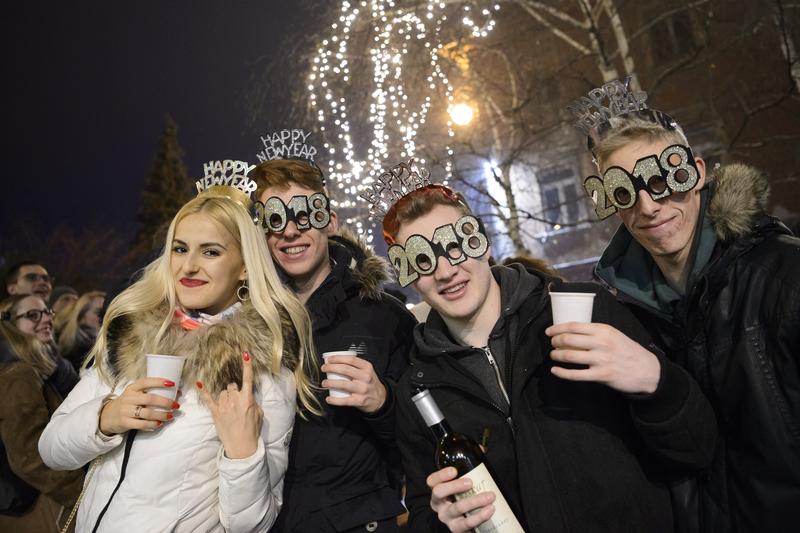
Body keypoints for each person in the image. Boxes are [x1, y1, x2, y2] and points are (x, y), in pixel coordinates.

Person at [372, 160, 717, 532]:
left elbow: (696, 448)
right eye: (422, 261)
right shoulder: (418, 391)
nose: (444, 271)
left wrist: (657, 381)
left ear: (482, 243)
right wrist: (444, 523)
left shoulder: (587, 310)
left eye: (454, 244)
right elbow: (426, 514)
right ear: (409, 278)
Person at [38, 164, 319, 532]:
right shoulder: (134, 339)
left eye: (211, 252)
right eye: (180, 248)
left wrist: (243, 453)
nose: (188, 266)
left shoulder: (260, 367)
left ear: (245, 267)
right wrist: (107, 417)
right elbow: (51, 450)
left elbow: (252, 524)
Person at [574, 81, 800, 531]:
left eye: (660, 179)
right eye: (624, 192)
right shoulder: (623, 318)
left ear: (695, 172)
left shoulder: (783, 275)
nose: (649, 205)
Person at [250, 152, 415, 532]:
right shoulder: (249, 320)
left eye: (305, 215)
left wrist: (383, 402)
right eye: (276, 219)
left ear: (331, 222)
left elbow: (419, 442)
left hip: (357, 522)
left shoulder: (385, 317)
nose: (290, 232)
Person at [0, 294, 84, 532]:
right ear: (10, 326)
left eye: (47, 312)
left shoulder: (43, 367)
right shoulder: (19, 374)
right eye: (32, 315)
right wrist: (82, 493)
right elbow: (30, 457)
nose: (45, 319)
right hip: (42, 506)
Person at [55, 290, 106, 371]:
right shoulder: (77, 349)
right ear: (81, 316)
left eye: (107, 312)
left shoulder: (104, 343)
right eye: (98, 312)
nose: (105, 317)